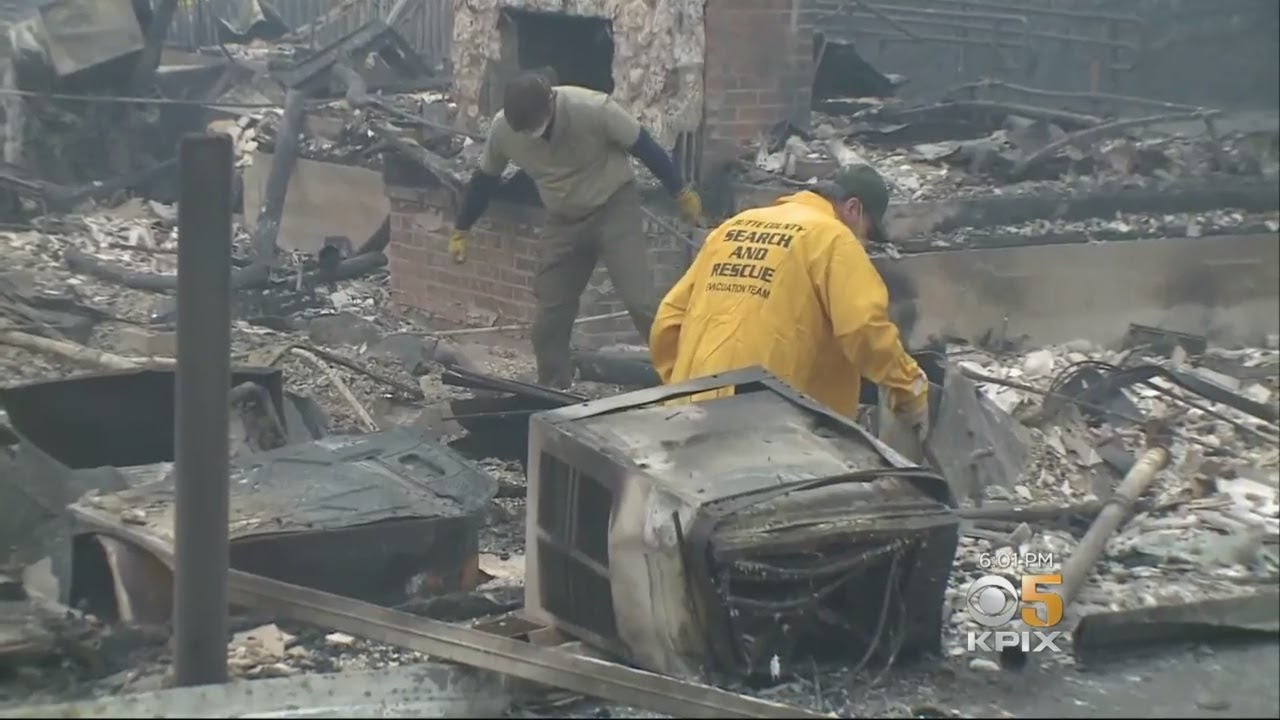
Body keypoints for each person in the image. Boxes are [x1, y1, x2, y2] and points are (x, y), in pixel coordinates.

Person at [450, 72, 703, 388]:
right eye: (525, 131)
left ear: (551, 102)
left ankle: (685, 378)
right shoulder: (504, 130)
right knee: (549, 317)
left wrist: (680, 191)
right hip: (563, 219)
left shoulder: (594, 109)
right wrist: (462, 228)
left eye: (536, 125)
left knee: (641, 303)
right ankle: (553, 389)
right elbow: (485, 179)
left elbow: (644, 146)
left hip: (613, 207)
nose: (534, 135)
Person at [649, 164, 931, 446]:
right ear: (853, 209)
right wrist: (909, 388)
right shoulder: (834, 238)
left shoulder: (735, 226)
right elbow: (864, 327)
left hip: (689, 416)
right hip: (768, 421)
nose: (863, 241)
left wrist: (686, 387)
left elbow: (668, 320)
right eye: (866, 232)